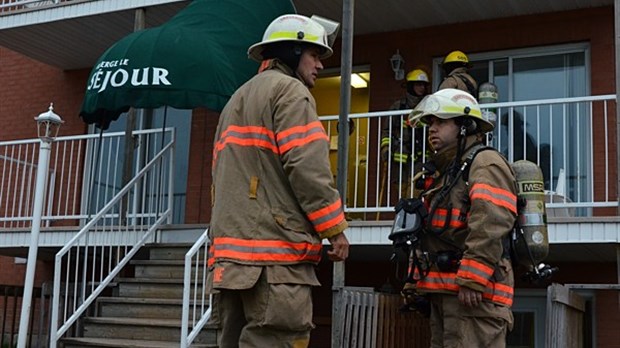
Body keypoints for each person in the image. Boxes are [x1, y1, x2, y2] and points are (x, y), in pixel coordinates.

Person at [207, 14, 349, 348]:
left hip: (231, 261)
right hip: (276, 260)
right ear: (292, 52)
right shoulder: (291, 92)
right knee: (278, 340)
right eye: (314, 55)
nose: (319, 65)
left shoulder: (236, 100)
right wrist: (335, 229)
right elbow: (308, 168)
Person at [405, 88, 517, 347]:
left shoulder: (486, 163)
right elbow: (431, 233)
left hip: (475, 299)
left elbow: (491, 222)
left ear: (465, 125)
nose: (432, 129)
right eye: (430, 122)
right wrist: (415, 282)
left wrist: (473, 278)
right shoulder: (446, 172)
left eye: (440, 121)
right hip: (446, 292)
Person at [380, 69, 430, 201]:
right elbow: (387, 130)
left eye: (423, 85)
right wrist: (385, 148)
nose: (422, 88)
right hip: (400, 160)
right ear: (410, 86)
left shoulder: (428, 107)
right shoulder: (398, 107)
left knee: (416, 193)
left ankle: (413, 220)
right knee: (402, 194)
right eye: (418, 84)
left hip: (420, 158)